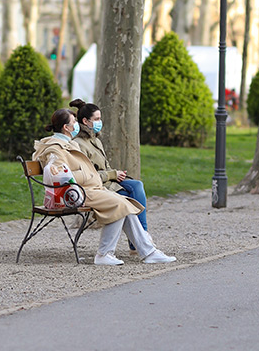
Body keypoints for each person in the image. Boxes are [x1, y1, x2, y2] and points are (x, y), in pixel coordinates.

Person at [32, 109, 175, 267]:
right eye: (74, 122)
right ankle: (105, 254)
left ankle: (149, 253)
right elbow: (58, 175)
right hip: (75, 193)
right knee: (119, 204)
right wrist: (87, 176)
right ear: (66, 127)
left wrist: (89, 177)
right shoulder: (55, 148)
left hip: (89, 189)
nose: (76, 125)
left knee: (123, 203)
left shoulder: (68, 144)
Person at [69, 98, 148, 237]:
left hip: (109, 182)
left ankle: (143, 237)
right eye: (97, 119)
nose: (100, 122)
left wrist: (116, 174)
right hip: (97, 186)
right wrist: (112, 174)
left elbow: (105, 167)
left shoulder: (96, 140)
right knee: (126, 198)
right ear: (86, 121)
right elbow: (88, 176)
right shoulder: (79, 144)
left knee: (137, 185)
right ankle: (141, 241)